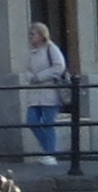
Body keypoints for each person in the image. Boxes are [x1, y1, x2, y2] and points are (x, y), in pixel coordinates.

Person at [22, 21, 72, 165]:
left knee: (49, 123)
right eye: (30, 34)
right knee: (32, 121)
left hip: (50, 92)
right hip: (35, 93)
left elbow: (59, 66)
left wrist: (40, 77)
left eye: (33, 34)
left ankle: (50, 154)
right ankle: (48, 150)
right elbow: (26, 68)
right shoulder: (32, 52)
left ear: (41, 35)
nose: (30, 37)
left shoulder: (51, 49)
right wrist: (29, 77)